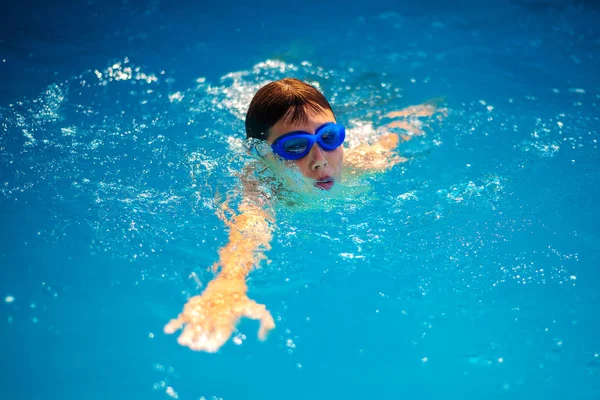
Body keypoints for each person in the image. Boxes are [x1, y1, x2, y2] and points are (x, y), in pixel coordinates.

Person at [164, 78, 444, 352]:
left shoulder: (365, 163)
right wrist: (228, 283)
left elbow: (401, 130)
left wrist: (434, 104)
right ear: (263, 154)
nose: (320, 159)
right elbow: (250, 228)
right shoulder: (261, 186)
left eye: (329, 137)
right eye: (296, 146)